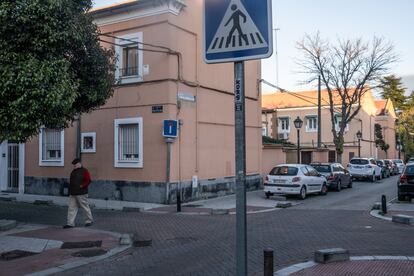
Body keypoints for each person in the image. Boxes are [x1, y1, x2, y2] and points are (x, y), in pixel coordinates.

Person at [63, 158, 93, 228]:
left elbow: (88, 180)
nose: (74, 166)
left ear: (79, 163)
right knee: (71, 208)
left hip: (81, 193)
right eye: (73, 165)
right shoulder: (73, 171)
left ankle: (89, 221)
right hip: (73, 193)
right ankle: (70, 223)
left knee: (85, 207)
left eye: (75, 164)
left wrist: (82, 186)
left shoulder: (84, 171)